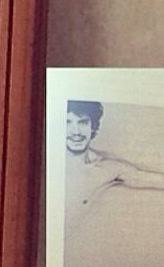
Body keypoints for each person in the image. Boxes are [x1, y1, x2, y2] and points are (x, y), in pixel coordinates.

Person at [65, 100, 164, 235]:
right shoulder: (42, 163)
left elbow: (152, 179)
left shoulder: (105, 167)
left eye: (82, 122)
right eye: (68, 122)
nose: (76, 131)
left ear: (93, 126)